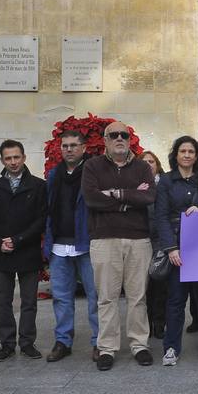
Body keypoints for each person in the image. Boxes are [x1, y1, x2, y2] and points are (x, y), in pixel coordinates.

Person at [82, 120, 158, 370]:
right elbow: (92, 199)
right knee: (107, 297)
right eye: (113, 135)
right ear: (104, 140)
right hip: (105, 239)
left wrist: (114, 194)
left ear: (129, 139)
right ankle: (107, 348)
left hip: (138, 239)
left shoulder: (142, 168)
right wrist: (129, 196)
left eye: (123, 135)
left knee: (138, 297)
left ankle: (139, 345)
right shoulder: (92, 166)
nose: (119, 138)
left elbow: (147, 197)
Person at [154, 135, 198, 364]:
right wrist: (171, 248)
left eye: (191, 152)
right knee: (175, 300)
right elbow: (161, 217)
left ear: (196, 156)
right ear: (176, 155)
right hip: (177, 249)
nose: (186, 155)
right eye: (182, 151)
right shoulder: (166, 181)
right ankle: (171, 347)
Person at [0, 140, 47, 361]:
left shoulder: (39, 186)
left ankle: (28, 342)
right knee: (3, 301)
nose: (13, 162)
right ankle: (7, 344)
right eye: (8, 158)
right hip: (1, 252)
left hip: (27, 251)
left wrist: (18, 240)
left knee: (29, 301)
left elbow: (41, 219)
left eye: (16, 157)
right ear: (2, 160)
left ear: (24, 157)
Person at [43, 129, 99, 362]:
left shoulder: (93, 172)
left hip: (86, 243)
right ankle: (63, 341)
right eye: (65, 145)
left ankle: (99, 341)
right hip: (59, 245)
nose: (69, 149)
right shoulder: (54, 174)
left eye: (74, 145)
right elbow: (48, 208)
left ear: (84, 148)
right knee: (61, 296)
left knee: (96, 295)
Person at [140, 150, 170, 339]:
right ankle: (146, 323)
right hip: (141, 240)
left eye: (151, 161)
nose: (148, 165)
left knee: (160, 284)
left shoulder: (165, 184)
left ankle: (159, 323)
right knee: (143, 287)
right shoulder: (134, 185)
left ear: (157, 164)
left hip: (160, 241)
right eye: (144, 162)